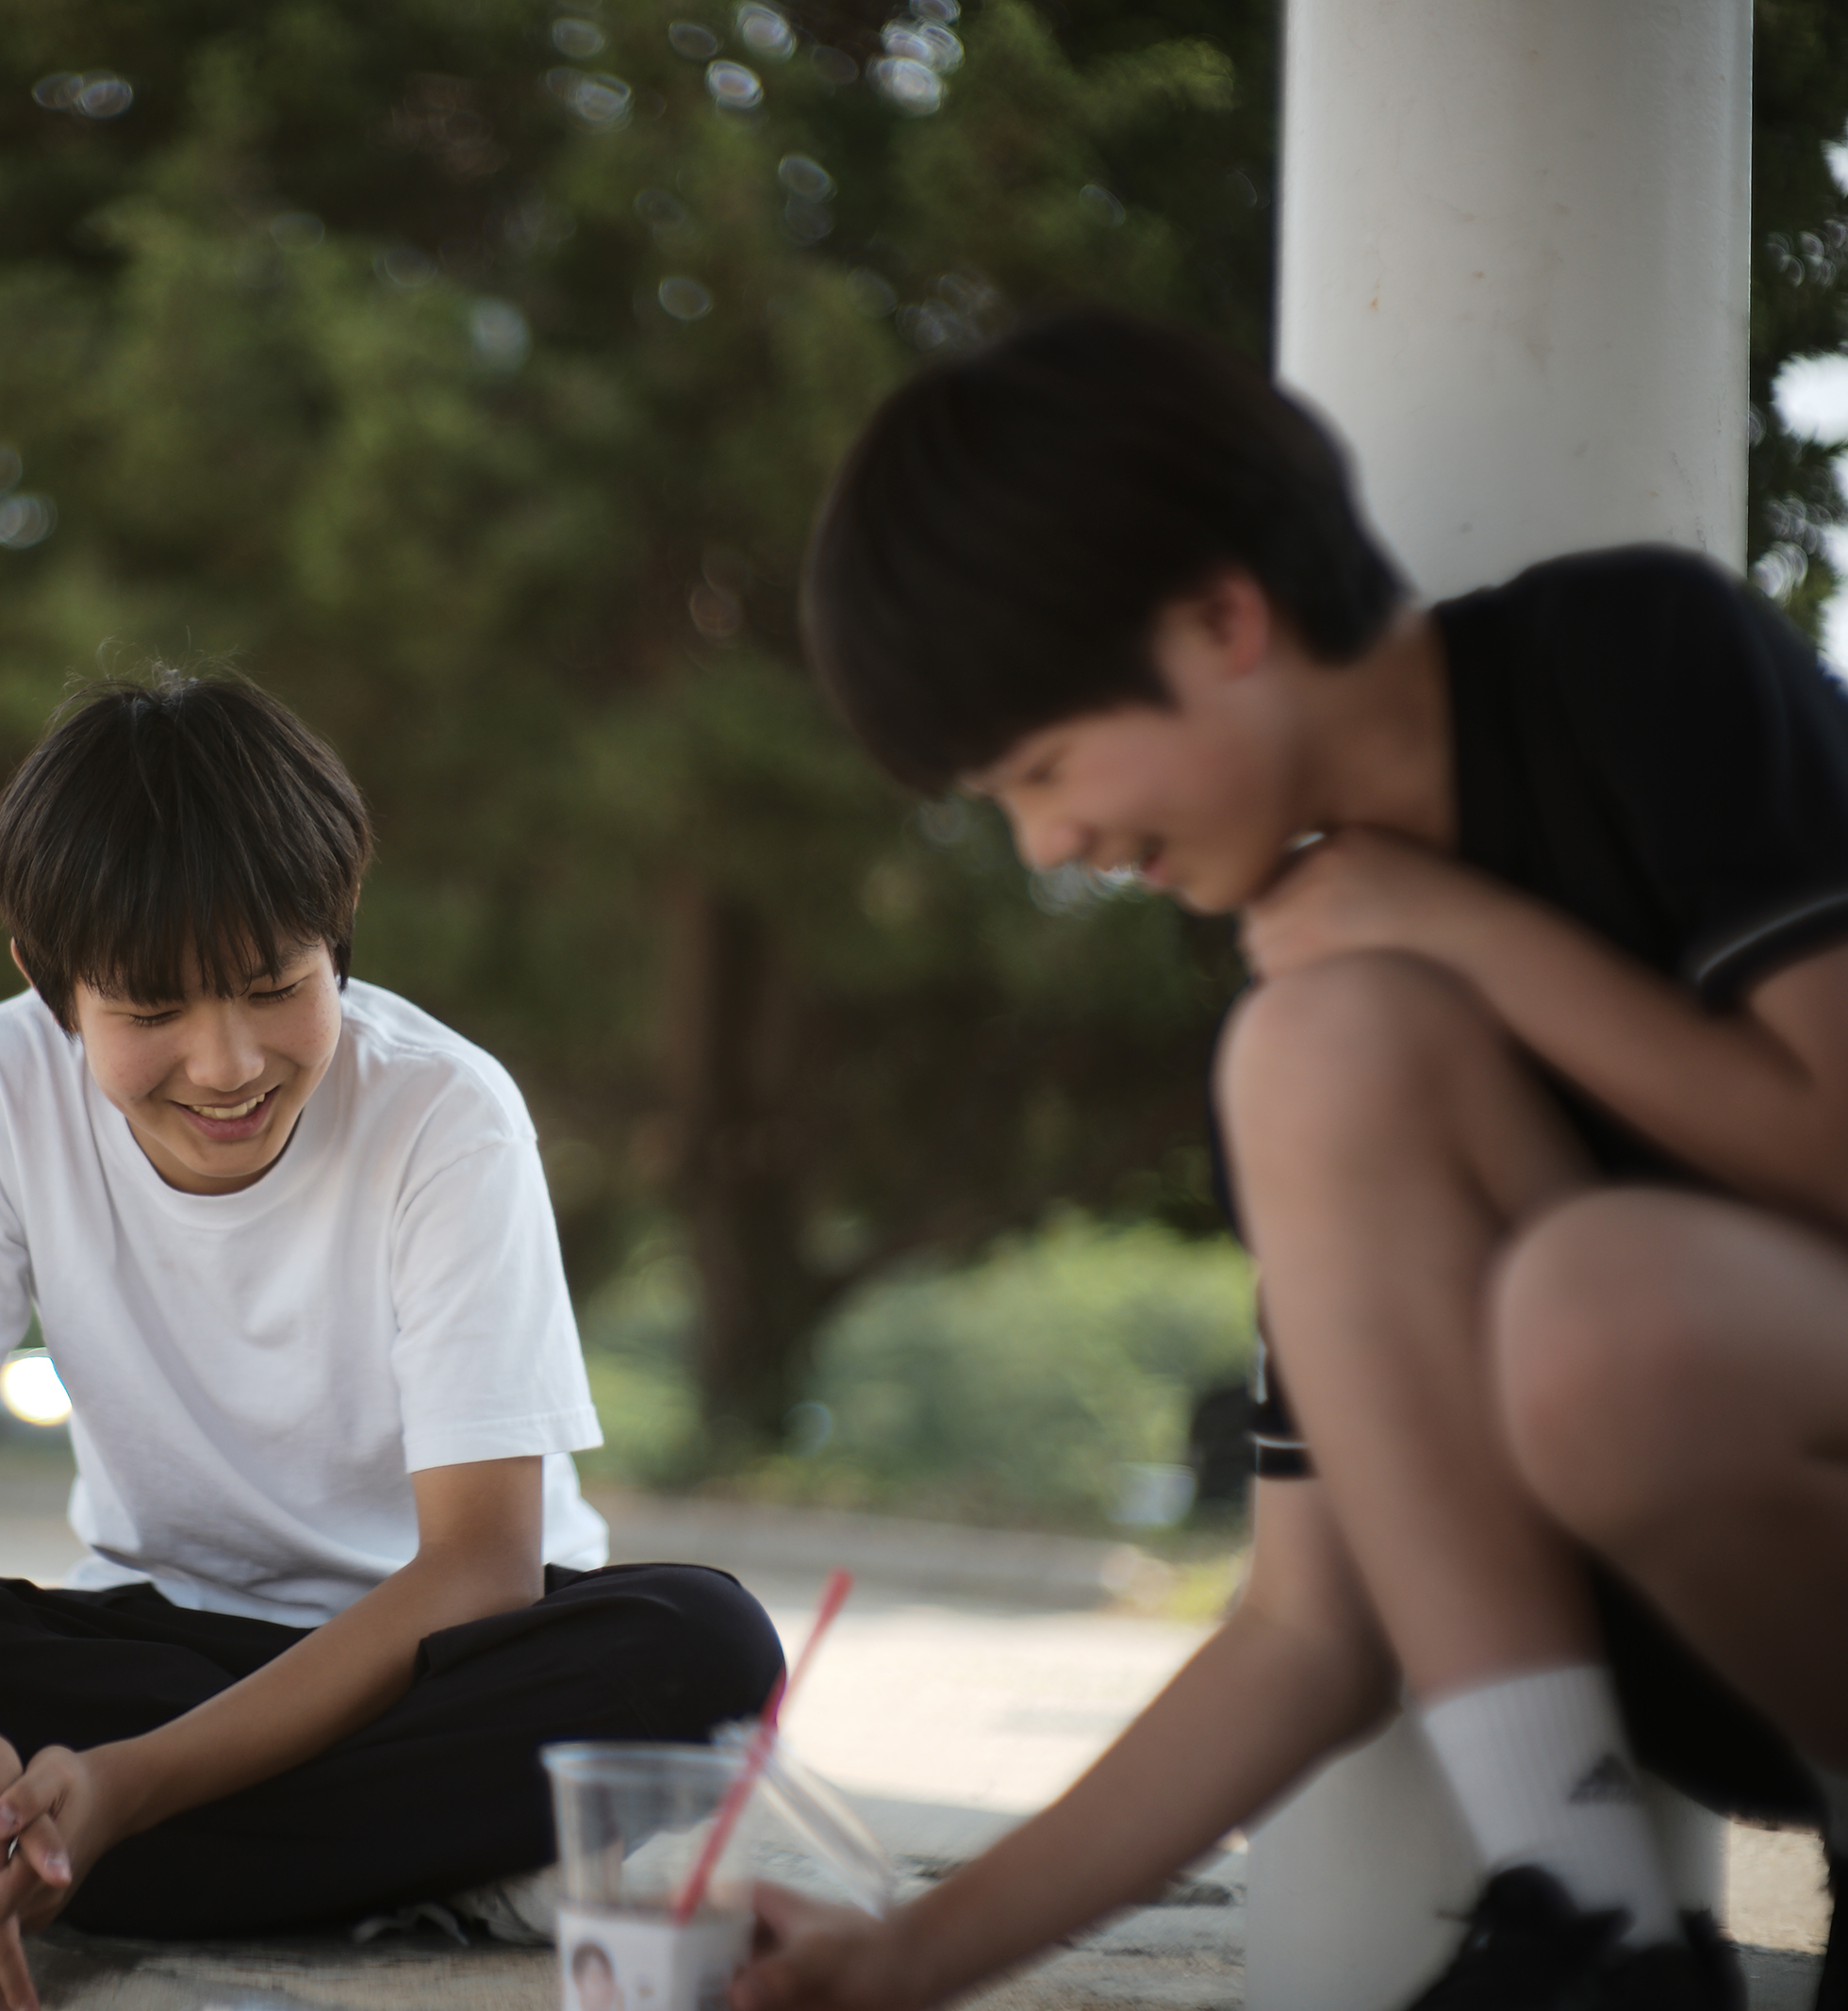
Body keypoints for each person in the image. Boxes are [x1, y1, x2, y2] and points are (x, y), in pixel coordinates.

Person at [750, 306, 1848, 2011]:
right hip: (1712, 1656)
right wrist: (901, 1961)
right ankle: (1594, 1926)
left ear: (1222, 619)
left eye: (1044, 768)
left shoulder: (1640, 661)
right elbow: (1312, 1631)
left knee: (1597, 1308)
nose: (1051, 843)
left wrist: (1467, 929)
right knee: (1314, 1045)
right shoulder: (1323, 990)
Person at [0, 669, 783, 2011]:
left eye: (271, 986)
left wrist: (126, 1786)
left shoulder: (445, 1115)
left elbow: (480, 1568)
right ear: (51, 987)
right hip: (157, 1647)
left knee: (705, 1648)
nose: (228, 1062)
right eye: (150, 1011)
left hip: (428, 1662)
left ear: (336, 940)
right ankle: (452, 1868)